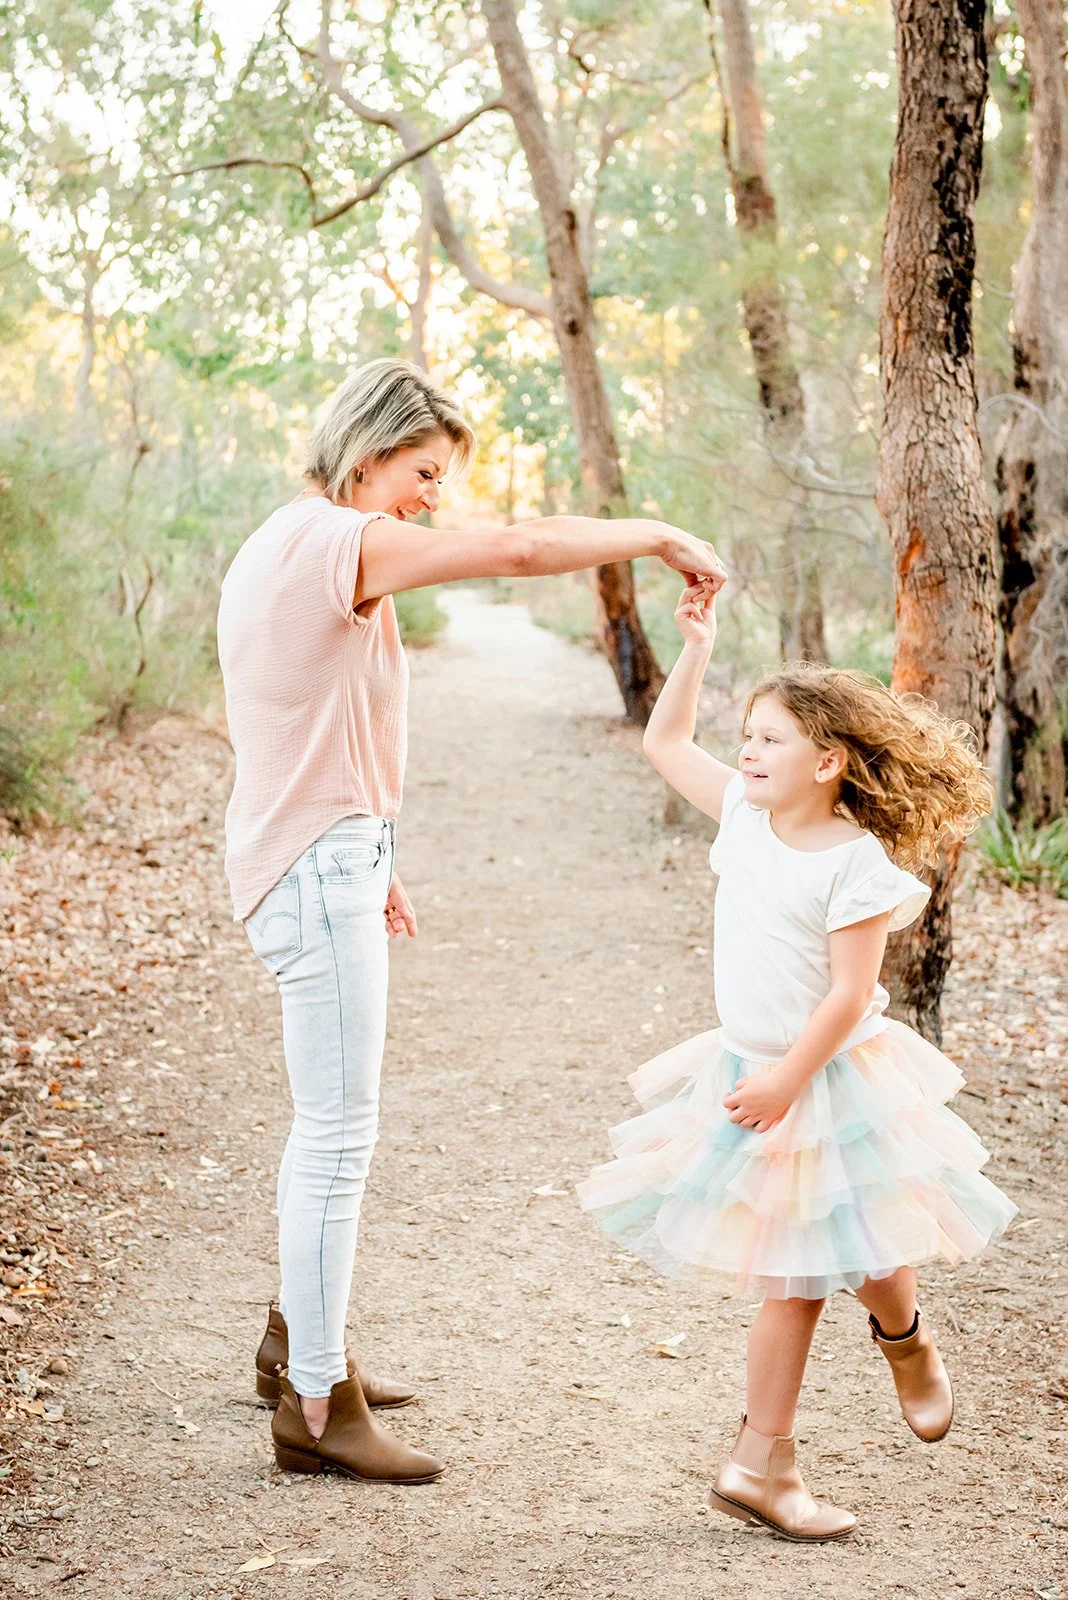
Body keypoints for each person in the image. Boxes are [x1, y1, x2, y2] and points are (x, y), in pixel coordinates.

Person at [216, 358, 727, 1484]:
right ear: (367, 453)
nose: (432, 497)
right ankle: (314, 1404)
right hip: (312, 865)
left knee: (332, 1128)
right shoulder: (338, 540)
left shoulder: (290, 540)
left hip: (320, 851)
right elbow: (524, 547)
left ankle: (294, 1344)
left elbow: (304, 716)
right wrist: (655, 533)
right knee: (336, 1136)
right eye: (423, 471)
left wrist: (374, 846)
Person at [578, 580, 1017, 1541]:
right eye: (748, 735)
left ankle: (904, 1340)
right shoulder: (740, 813)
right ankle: (761, 1464)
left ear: (828, 760)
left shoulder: (854, 863)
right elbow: (663, 744)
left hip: (829, 1073)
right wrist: (696, 646)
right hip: (748, 1067)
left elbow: (851, 995)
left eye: (771, 739)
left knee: (865, 1242)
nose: (749, 751)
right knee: (799, 1272)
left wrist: (787, 1080)